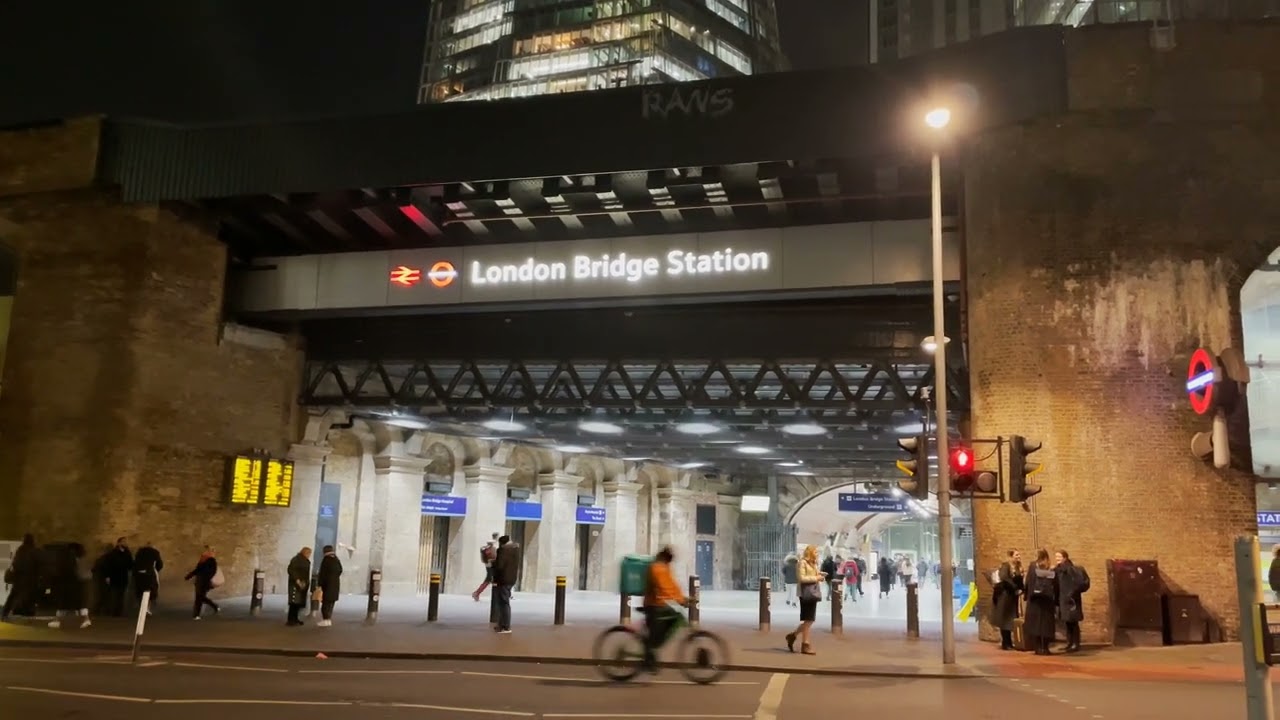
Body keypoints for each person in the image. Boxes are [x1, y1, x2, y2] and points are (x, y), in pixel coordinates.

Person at [641, 546, 687, 673]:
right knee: (655, 634)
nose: (670, 562)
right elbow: (664, 587)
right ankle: (648, 658)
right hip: (652, 605)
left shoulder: (664, 567)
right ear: (666, 557)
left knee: (675, 618)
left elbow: (671, 584)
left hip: (660, 604)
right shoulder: (657, 567)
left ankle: (651, 650)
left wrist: (682, 597)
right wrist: (680, 600)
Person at [785, 544, 825, 656]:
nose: (817, 554)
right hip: (806, 594)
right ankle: (805, 645)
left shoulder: (813, 563)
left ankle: (793, 636)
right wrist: (817, 578)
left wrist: (819, 575)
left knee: (809, 620)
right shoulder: (802, 563)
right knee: (808, 619)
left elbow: (811, 575)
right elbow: (801, 578)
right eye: (815, 552)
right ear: (810, 552)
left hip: (813, 593)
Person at [48, 543, 91, 629]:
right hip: (79, 585)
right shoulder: (80, 559)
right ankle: (86, 619)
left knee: (63, 604)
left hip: (67, 585)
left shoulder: (66, 559)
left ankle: (57, 621)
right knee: (81, 604)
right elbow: (86, 574)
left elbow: (61, 572)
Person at [1023, 549, 1058, 656]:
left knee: (1036, 624)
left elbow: (1028, 582)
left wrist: (1026, 594)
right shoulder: (1050, 567)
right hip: (1047, 600)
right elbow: (1055, 584)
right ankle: (1045, 648)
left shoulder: (1033, 566)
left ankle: (1038, 648)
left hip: (1035, 600)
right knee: (1046, 624)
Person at [1054, 549, 1089, 653]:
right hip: (1063, 600)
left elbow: (1079, 584)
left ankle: (1075, 643)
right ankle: (1069, 643)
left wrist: (1072, 593)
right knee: (1067, 622)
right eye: (1056, 557)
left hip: (1071, 600)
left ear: (1065, 557)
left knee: (1073, 622)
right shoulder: (1058, 570)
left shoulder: (1071, 569)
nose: (1057, 559)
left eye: (1059, 557)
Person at [990, 549, 1024, 650]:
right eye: (1016, 555)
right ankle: (1005, 642)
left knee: (1011, 619)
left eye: (1019, 554)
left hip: (1013, 597)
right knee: (1004, 618)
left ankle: (1009, 642)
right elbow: (1005, 578)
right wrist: (1015, 588)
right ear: (1011, 556)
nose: (1018, 556)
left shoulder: (1018, 567)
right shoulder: (1005, 566)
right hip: (1004, 596)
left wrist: (1021, 589)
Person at [2, 533, 39, 621]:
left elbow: (15, 563)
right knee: (30, 596)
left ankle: (4, 613)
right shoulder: (33, 550)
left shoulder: (20, 550)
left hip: (19, 578)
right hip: (29, 579)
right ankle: (28, 613)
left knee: (13, 596)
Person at [492, 534, 521, 634]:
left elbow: (499, 565)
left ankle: (506, 626)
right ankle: (502, 625)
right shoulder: (515, 550)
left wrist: (493, 563)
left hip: (503, 579)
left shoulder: (503, 550)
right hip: (511, 579)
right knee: (504, 602)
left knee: (503, 603)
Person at [184, 545, 220, 619]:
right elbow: (198, 569)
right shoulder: (203, 559)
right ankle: (214, 606)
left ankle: (197, 614)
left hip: (205, 581)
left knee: (199, 597)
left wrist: (206, 578)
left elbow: (213, 571)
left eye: (207, 551)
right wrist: (189, 575)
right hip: (200, 580)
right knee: (200, 597)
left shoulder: (212, 560)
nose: (205, 552)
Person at [102, 537, 132, 617]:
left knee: (121, 595)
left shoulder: (127, 553)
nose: (125, 543)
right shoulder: (112, 553)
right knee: (113, 595)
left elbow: (130, 564)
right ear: (118, 543)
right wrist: (107, 576)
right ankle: (112, 612)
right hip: (114, 576)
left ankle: (119, 612)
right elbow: (108, 565)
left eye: (126, 542)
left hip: (123, 576)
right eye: (123, 542)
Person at [132, 541, 163, 615]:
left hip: (139, 574)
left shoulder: (139, 552)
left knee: (140, 591)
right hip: (149, 574)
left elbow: (135, 563)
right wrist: (155, 570)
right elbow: (160, 564)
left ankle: (141, 607)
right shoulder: (154, 552)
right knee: (151, 591)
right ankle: (147, 608)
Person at [286, 546, 312, 626]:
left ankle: (295, 618)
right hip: (295, 584)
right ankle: (291, 620)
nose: (309, 555)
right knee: (294, 602)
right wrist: (297, 580)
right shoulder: (296, 560)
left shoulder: (305, 560)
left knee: (299, 602)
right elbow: (291, 570)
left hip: (303, 583)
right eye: (309, 553)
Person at [317, 545, 342, 627]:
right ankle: (329, 619)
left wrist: (320, 584)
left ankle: (325, 619)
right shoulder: (336, 559)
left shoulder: (326, 560)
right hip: (335, 584)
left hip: (327, 585)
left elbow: (322, 573)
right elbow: (340, 570)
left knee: (325, 603)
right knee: (331, 603)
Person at [472, 533, 499, 602]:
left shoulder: (486, 547)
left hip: (489, 565)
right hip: (492, 566)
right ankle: (477, 593)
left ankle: (477, 593)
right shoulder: (492, 547)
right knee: (492, 580)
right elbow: (494, 557)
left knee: (490, 580)